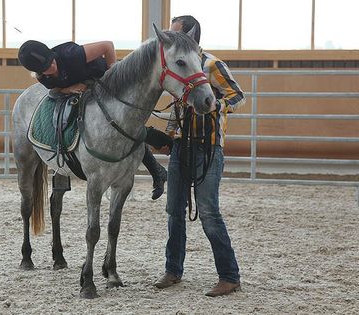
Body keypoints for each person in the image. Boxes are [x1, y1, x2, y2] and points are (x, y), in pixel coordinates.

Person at [153, 15, 246, 297]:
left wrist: (216, 105)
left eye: (175, 33)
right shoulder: (175, 67)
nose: (170, 37)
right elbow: (178, 106)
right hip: (182, 146)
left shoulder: (211, 65)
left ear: (192, 36)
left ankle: (229, 276)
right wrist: (170, 136)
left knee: (208, 212)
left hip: (209, 145)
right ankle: (173, 270)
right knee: (174, 210)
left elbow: (238, 95)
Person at [17, 40, 167, 199]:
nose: (51, 67)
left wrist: (113, 75)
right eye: (45, 68)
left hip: (104, 80)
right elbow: (56, 89)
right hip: (83, 91)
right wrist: (69, 89)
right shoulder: (43, 78)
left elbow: (108, 46)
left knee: (124, 126)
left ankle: (156, 169)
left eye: (51, 61)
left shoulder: (71, 55)